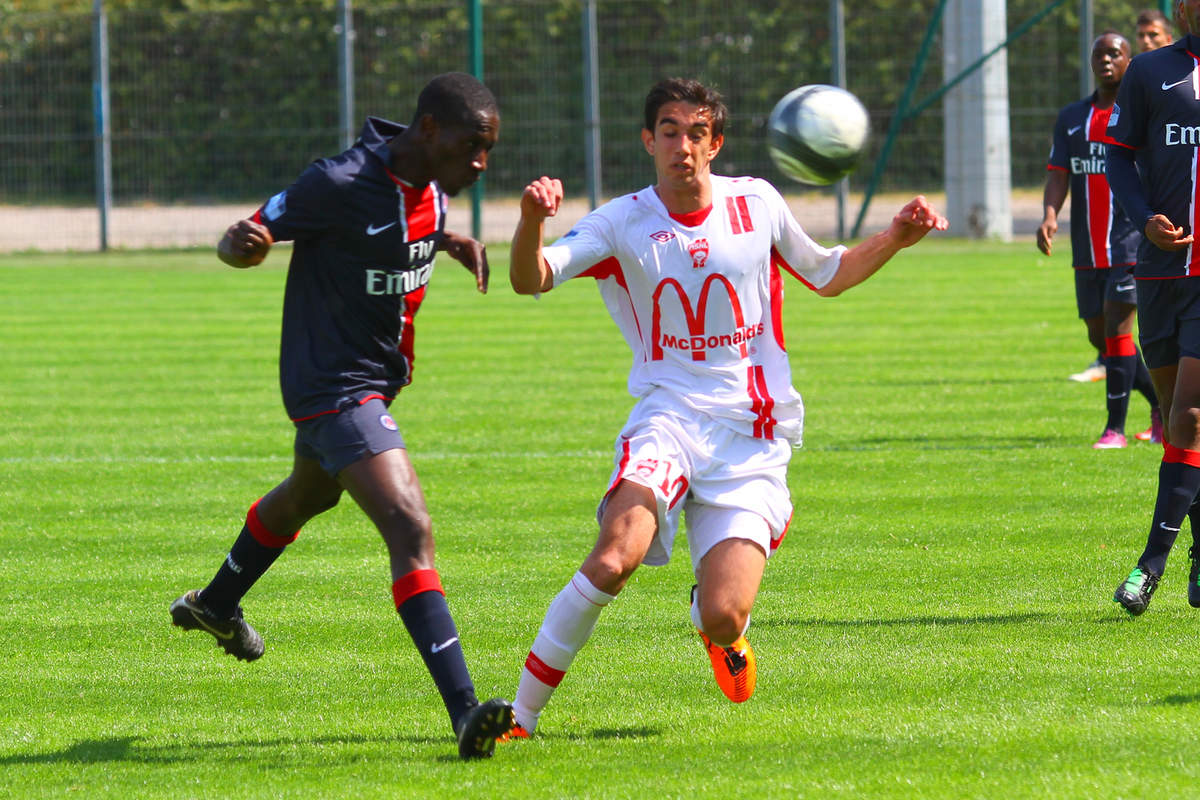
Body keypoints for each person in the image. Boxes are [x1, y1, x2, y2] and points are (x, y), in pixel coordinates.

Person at [502, 78, 947, 737]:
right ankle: (518, 717)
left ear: (717, 143)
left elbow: (827, 272)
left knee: (724, 615)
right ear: (649, 140)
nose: (685, 145)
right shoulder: (621, 220)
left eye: (698, 132)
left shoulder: (756, 204)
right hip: (668, 420)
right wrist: (532, 221)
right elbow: (531, 277)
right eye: (671, 131)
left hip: (751, 434)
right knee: (613, 558)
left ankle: (716, 628)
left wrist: (893, 238)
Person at [167, 72, 515, 758]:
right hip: (332, 384)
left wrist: (452, 245)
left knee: (307, 494)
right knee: (409, 526)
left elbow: (406, 227)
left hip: (376, 380)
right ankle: (465, 710)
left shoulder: (435, 188)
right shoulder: (338, 181)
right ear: (429, 131)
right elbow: (250, 230)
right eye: (474, 147)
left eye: (490, 149)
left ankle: (215, 604)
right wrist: (241, 247)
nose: (482, 162)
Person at [1108, 0, 1200, 614]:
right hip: (1163, 271)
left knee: (1189, 415)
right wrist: (1145, 220)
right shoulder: (1149, 71)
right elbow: (1118, 153)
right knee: (1175, 418)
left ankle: (1150, 565)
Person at [1037, 31, 1162, 449]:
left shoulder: (1141, 113)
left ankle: (1115, 429)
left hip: (1129, 241)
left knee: (1118, 328)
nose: (1106, 60)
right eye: (1099, 54)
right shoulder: (1072, 117)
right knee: (1100, 336)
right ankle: (1162, 404)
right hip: (1087, 246)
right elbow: (1058, 172)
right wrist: (1050, 215)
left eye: (1115, 53)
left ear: (1130, 61)